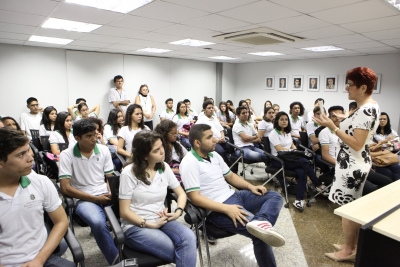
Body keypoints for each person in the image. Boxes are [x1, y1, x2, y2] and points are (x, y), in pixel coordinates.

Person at [180, 124, 285, 267]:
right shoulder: (189, 163)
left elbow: (230, 176)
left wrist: (251, 187)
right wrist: (226, 209)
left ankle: (260, 222)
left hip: (234, 195)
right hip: (218, 208)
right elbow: (195, 198)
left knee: (275, 196)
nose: (215, 140)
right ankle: (260, 227)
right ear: (197, 143)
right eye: (210, 137)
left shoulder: (214, 155)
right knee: (261, 237)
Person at [314, 67, 380, 262]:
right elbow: (357, 129)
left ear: (362, 87)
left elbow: (357, 144)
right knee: (351, 208)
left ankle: (348, 250)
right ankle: (353, 245)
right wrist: (344, 120)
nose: (346, 89)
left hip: (353, 164)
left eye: (350, 85)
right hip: (350, 162)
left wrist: (333, 127)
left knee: (347, 209)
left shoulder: (366, 109)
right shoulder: (366, 106)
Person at [119, 131, 196, 266]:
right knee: (183, 251)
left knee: (189, 237)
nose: (162, 151)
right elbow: (124, 212)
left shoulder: (164, 167)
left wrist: (177, 212)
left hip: (162, 219)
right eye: (156, 150)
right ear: (144, 155)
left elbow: (182, 194)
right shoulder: (129, 173)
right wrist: (151, 224)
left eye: (162, 146)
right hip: (136, 225)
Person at [0, 128, 74, 267]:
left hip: (40, 258)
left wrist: (39, 260)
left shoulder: (40, 181)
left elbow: (61, 222)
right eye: (21, 154)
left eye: (28, 150)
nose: (31, 157)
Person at [59, 120, 118, 265]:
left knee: (130, 213)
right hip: (83, 197)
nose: (94, 139)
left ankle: (130, 247)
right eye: (89, 136)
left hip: (105, 192)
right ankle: (117, 261)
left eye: (95, 134)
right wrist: (95, 198)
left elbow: (110, 177)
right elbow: (65, 188)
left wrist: (111, 193)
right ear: (77, 138)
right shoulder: (67, 155)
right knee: (98, 222)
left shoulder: (103, 150)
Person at [318, 105, 391, 195]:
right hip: (341, 167)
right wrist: (342, 165)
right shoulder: (325, 132)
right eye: (334, 116)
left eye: (339, 115)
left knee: (387, 182)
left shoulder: (348, 130)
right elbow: (325, 155)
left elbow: (356, 149)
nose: (337, 118)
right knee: (371, 189)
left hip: (357, 164)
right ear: (329, 117)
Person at [270, 111, 326, 211]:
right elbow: (279, 149)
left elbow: (292, 145)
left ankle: (299, 200)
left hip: (289, 158)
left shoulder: (287, 133)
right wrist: (294, 151)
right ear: (277, 121)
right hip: (278, 160)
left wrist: (294, 150)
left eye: (286, 119)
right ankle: (317, 184)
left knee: (302, 171)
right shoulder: (273, 133)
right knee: (306, 162)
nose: (284, 121)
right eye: (281, 119)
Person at [197, 100, 230, 165]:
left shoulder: (215, 118)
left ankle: (231, 166)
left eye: (212, 108)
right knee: (221, 152)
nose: (211, 109)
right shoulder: (201, 120)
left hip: (221, 140)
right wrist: (216, 140)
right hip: (212, 141)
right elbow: (202, 135)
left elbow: (221, 130)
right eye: (209, 108)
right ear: (204, 110)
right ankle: (227, 167)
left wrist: (223, 137)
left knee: (231, 148)